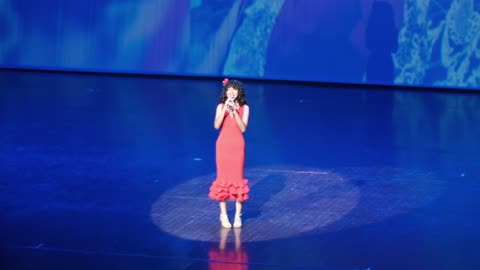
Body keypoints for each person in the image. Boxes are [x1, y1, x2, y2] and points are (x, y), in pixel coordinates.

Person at [208, 78, 250, 228]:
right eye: (229, 90)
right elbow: (216, 125)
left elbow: (243, 128)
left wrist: (235, 112)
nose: (232, 92)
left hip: (237, 146)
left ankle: (238, 216)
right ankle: (224, 215)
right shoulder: (220, 106)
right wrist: (226, 109)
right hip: (223, 146)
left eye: (235, 89)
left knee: (238, 180)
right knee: (223, 179)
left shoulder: (245, 108)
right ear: (226, 92)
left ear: (239, 92)